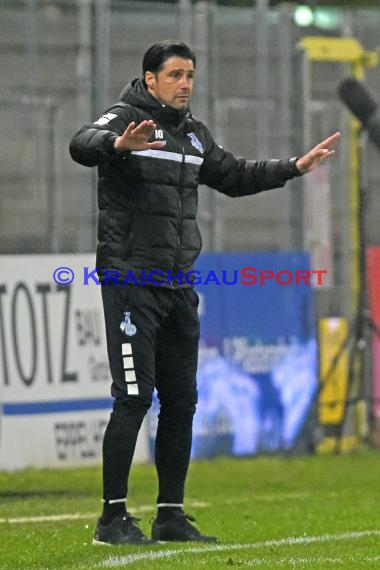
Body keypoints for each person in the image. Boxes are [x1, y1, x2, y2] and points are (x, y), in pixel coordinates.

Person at [69, 39, 340, 546]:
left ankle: (169, 514)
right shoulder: (126, 118)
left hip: (178, 284)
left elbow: (234, 176)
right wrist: (118, 145)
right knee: (132, 397)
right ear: (151, 79)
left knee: (182, 400)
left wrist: (292, 167)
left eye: (190, 74)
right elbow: (81, 142)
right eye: (175, 75)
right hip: (131, 281)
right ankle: (111, 519)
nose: (186, 84)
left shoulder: (193, 136)